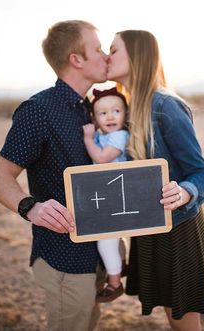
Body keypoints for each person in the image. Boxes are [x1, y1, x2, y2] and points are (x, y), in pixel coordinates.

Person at [0, 20, 108, 331]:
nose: (105, 55)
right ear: (76, 59)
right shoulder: (38, 110)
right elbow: (0, 178)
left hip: (97, 252)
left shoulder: (92, 109)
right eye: (97, 48)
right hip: (62, 257)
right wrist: (32, 207)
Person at [107, 29, 204, 331]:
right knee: (171, 315)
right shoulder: (127, 107)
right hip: (149, 226)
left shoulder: (166, 105)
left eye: (113, 50)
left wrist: (183, 192)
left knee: (182, 318)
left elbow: (201, 173)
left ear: (136, 55)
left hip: (178, 227)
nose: (107, 56)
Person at [83, 87, 129, 303]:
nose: (110, 116)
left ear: (125, 114)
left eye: (116, 111)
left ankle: (115, 283)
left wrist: (88, 138)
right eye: (103, 113)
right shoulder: (107, 135)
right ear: (94, 117)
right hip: (108, 195)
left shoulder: (120, 136)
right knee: (111, 240)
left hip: (116, 196)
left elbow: (101, 159)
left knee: (105, 242)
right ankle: (120, 265)